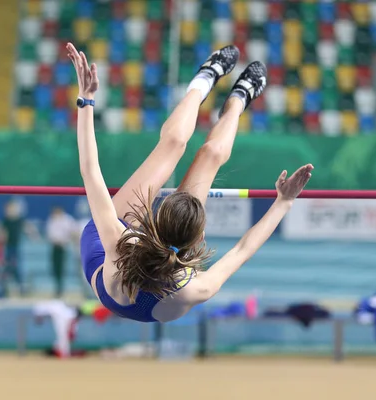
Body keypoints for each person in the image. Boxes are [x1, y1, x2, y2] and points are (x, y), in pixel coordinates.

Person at [67, 42, 314, 323]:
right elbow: (242, 250)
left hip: (105, 257)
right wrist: (284, 202)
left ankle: (204, 79)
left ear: (155, 218)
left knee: (172, 144)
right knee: (210, 155)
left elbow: (90, 170)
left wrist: (86, 100)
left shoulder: (119, 241)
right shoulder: (195, 287)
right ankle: (239, 98)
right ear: (194, 239)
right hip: (140, 271)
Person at [46, 206, 77, 297]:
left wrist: (68, 240)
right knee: (55, 268)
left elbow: (74, 231)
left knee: (61, 268)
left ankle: (61, 288)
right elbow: (50, 234)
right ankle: (58, 288)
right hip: (54, 247)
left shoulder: (67, 220)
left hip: (63, 247)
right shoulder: (51, 220)